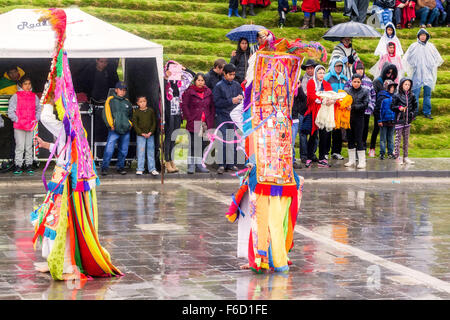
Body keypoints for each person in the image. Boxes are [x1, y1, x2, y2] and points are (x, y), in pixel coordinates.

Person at [403, 28, 443, 119]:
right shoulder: (413, 46)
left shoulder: (431, 46)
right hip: (416, 75)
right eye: (421, 35)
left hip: (428, 75)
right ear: (418, 36)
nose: (422, 37)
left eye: (424, 35)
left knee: (427, 95)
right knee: (415, 95)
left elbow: (438, 58)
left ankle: (427, 112)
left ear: (427, 36)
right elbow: (406, 58)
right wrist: (413, 65)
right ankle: (414, 112)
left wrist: (431, 66)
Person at [163, 61, 194, 173]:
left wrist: (183, 68)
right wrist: (166, 75)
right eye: (172, 68)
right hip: (168, 113)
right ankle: (166, 161)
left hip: (177, 113)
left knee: (173, 137)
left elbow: (192, 75)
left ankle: (171, 160)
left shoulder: (179, 83)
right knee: (168, 137)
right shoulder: (165, 82)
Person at [181, 73, 215, 174]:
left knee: (202, 144)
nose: (200, 82)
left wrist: (211, 118)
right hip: (194, 121)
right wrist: (189, 117)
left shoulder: (208, 92)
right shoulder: (189, 92)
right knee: (193, 144)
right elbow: (185, 105)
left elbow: (212, 106)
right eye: (199, 80)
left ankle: (199, 164)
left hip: (205, 122)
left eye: (202, 80)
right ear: (195, 81)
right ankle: (191, 165)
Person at [213, 64, 243, 174]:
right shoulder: (218, 86)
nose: (232, 77)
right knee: (223, 141)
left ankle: (231, 164)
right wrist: (231, 101)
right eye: (230, 75)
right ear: (224, 73)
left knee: (233, 141)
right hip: (222, 116)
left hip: (234, 117)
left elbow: (241, 99)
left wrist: (240, 99)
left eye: (234, 75)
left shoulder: (236, 85)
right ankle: (221, 164)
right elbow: (216, 103)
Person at [8, 76, 41, 175]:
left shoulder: (34, 96)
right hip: (19, 126)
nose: (27, 86)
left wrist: (35, 119)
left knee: (29, 147)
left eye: (29, 84)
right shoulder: (16, 96)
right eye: (25, 84)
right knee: (20, 146)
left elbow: (39, 109)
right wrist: (17, 120)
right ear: (21, 85)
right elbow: (10, 111)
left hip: (30, 125)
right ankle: (18, 165)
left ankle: (29, 165)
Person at [304, 65, 333, 168]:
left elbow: (331, 94)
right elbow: (311, 96)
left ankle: (322, 158)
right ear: (316, 73)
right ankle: (309, 157)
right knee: (313, 135)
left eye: (323, 73)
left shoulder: (326, 84)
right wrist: (322, 100)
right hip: (314, 112)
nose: (321, 75)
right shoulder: (311, 82)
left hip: (324, 112)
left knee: (324, 135)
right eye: (319, 73)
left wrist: (330, 100)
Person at [101, 81, 133, 176]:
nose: (122, 92)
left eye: (124, 90)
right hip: (114, 130)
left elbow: (131, 115)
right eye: (120, 90)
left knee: (123, 150)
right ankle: (104, 168)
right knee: (109, 149)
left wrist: (129, 124)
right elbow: (106, 113)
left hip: (125, 130)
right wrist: (110, 124)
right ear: (116, 90)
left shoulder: (127, 102)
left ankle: (120, 167)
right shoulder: (110, 100)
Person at [345, 61, 376, 156]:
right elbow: (345, 95)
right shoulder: (349, 82)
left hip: (365, 111)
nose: (360, 71)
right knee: (352, 135)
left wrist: (370, 108)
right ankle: (353, 156)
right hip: (351, 112)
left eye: (361, 69)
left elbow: (373, 95)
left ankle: (362, 151)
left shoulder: (369, 81)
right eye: (358, 69)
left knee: (363, 133)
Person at [370, 63, 398, 157]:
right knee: (376, 129)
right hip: (379, 110)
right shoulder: (377, 81)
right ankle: (372, 148)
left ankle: (390, 151)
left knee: (390, 135)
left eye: (391, 73)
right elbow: (375, 97)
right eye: (388, 72)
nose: (389, 74)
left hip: (390, 113)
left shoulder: (391, 81)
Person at [324, 58, 348, 160]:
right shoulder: (327, 77)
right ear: (333, 66)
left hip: (340, 108)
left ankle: (336, 151)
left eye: (341, 66)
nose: (339, 68)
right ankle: (325, 152)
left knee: (338, 131)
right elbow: (324, 90)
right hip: (330, 106)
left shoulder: (344, 78)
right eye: (337, 66)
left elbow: (347, 91)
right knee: (328, 130)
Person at [344, 74, 369, 169]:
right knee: (350, 139)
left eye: (358, 82)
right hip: (348, 118)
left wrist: (353, 107)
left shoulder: (365, 91)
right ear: (351, 82)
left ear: (361, 82)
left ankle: (362, 161)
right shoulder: (347, 91)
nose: (356, 83)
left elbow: (365, 104)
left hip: (359, 118)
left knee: (359, 139)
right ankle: (351, 160)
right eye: (354, 81)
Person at [391, 78, 417, 164]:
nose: (407, 86)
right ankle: (397, 157)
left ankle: (405, 157)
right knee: (398, 140)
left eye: (409, 85)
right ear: (402, 85)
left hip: (407, 121)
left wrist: (412, 115)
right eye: (405, 84)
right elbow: (392, 107)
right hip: (399, 121)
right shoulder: (396, 95)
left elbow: (415, 107)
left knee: (406, 140)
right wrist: (399, 108)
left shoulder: (412, 96)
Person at [299, 59, 319, 164]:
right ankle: (303, 155)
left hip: (315, 110)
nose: (310, 70)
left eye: (311, 68)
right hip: (303, 110)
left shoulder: (318, 80)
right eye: (308, 68)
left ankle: (312, 154)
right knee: (303, 133)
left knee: (314, 133)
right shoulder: (302, 80)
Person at [132, 96, 158, 176]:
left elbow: (154, 122)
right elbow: (135, 125)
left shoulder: (151, 111)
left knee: (150, 152)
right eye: (140, 102)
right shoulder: (136, 112)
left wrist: (150, 132)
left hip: (150, 135)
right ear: (137, 103)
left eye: (144, 101)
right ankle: (140, 169)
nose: (142, 103)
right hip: (141, 136)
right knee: (141, 152)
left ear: (146, 102)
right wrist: (141, 133)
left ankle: (152, 169)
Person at [377, 80, 397, 160]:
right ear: (386, 87)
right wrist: (379, 120)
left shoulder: (395, 97)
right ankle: (382, 153)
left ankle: (390, 153)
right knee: (383, 138)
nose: (392, 89)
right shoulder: (382, 96)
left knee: (391, 138)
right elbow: (378, 109)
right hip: (384, 121)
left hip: (392, 121)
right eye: (390, 87)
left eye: (393, 87)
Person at [292, 78, 306, 169]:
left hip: (294, 119)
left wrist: (299, 87)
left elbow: (303, 99)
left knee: (291, 142)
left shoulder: (296, 87)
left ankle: (292, 161)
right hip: (282, 119)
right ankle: (240, 162)